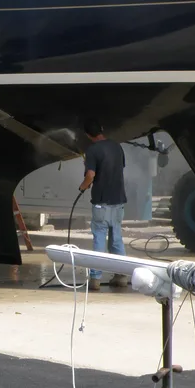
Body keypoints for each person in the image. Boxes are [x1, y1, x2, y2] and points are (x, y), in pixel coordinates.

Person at [78, 118, 128, 291]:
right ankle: (122, 276)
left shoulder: (92, 150)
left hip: (101, 203)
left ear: (87, 135)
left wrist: (83, 186)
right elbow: (118, 168)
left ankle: (95, 279)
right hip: (118, 201)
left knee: (99, 238)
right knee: (116, 239)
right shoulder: (117, 147)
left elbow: (91, 175)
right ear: (102, 129)